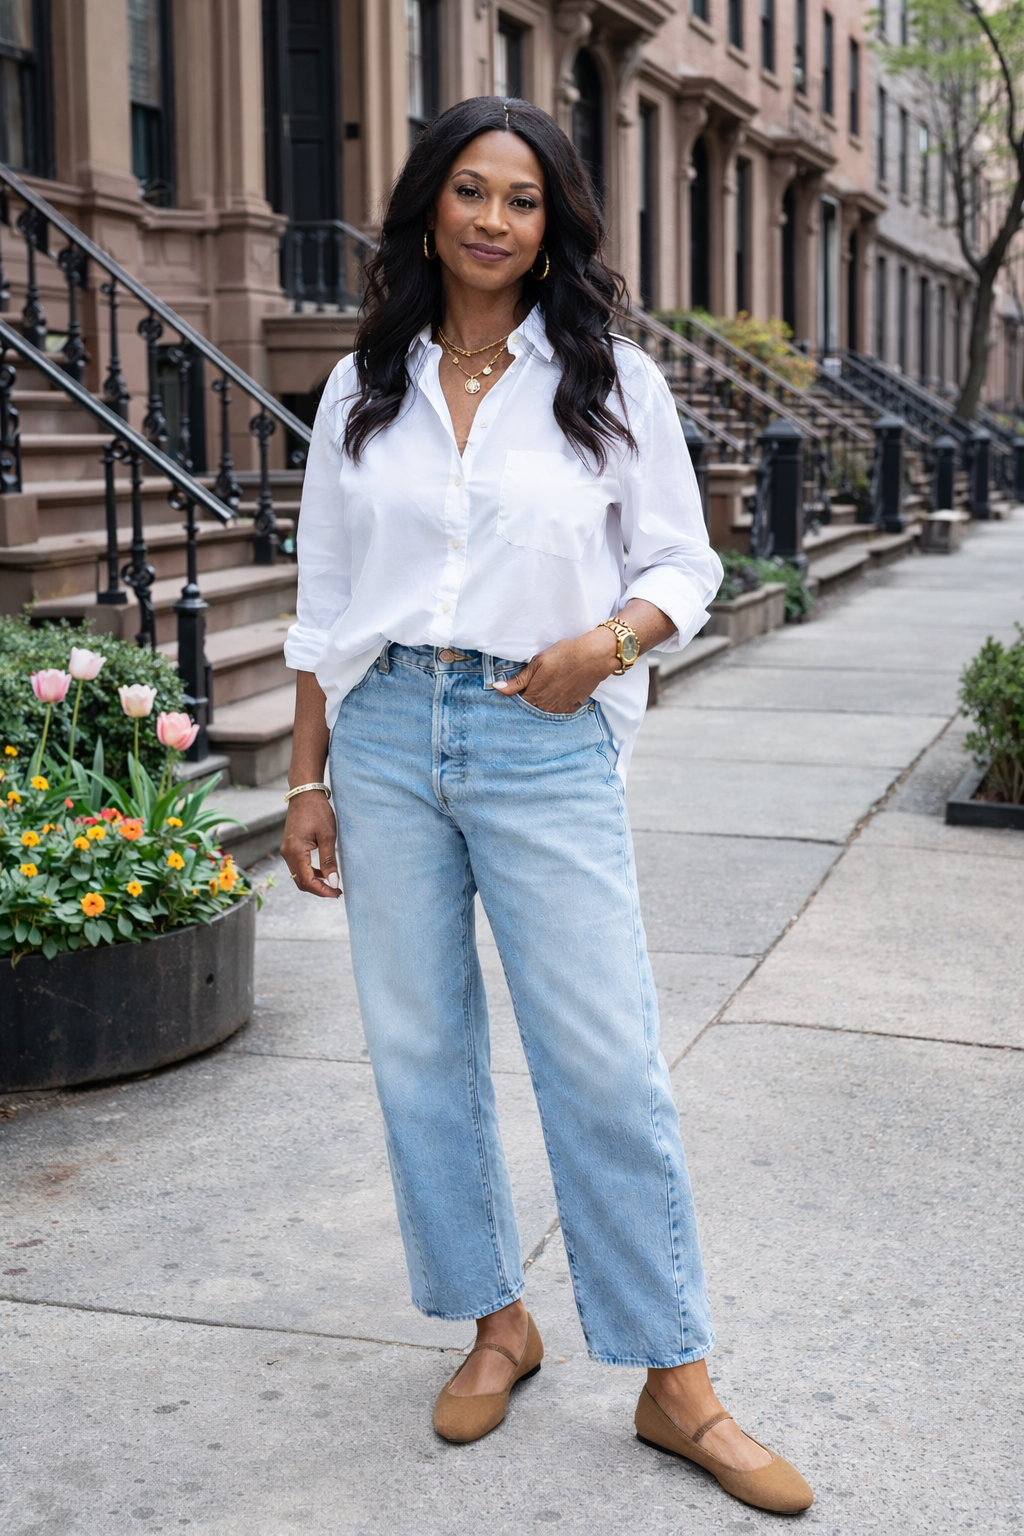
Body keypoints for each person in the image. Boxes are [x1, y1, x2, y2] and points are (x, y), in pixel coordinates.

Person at [281, 95, 812, 1516]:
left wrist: (605, 647)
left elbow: (686, 566)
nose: (494, 221)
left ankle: (673, 1378)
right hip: (387, 729)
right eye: (470, 191)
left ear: (553, 222)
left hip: (543, 727)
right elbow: (325, 598)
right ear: (428, 208)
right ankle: (494, 1322)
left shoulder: (608, 378)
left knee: (605, 1061)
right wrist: (308, 774)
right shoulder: (362, 383)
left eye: (522, 199)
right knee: (418, 1051)